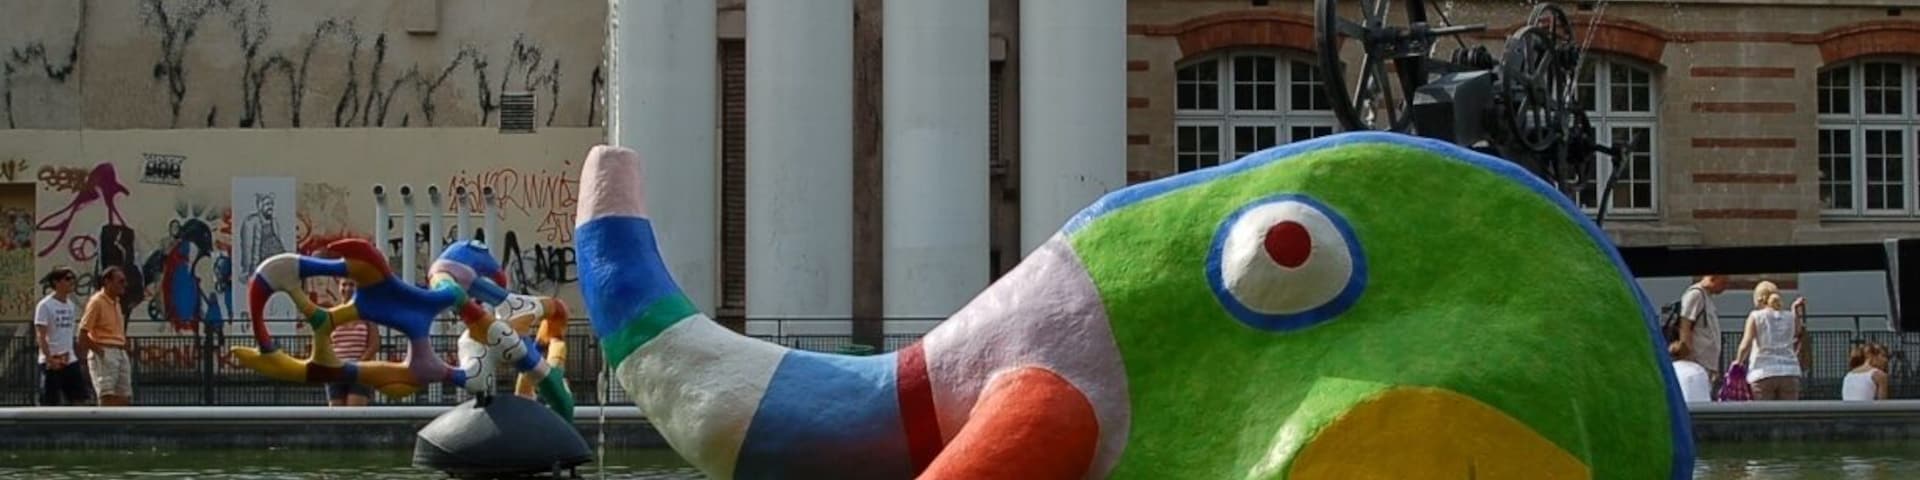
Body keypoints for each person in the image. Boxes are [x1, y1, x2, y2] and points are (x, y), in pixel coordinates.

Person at [1732, 281, 1803, 400]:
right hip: (1789, 371)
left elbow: (1746, 343)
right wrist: (1794, 310)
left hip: (1762, 371)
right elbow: (1797, 332)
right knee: (1789, 411)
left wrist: (1738, 362)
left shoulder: (1756, 316)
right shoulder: (1790, 316)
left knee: (1763, 411)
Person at [34, 267, 89, 406]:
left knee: (79, 399)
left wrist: (79, 355)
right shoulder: (45, 305)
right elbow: (41, 335)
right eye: (68, 279)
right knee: (50, 402)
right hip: (52, 360)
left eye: (73, 278)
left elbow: (69, 333)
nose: (72, 282)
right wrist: (49, 358)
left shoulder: (70, 305)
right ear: (56, 282)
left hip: (69, 359)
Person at [78, 266, 132, 406]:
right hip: (104, 350)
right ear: (107, 282)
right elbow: (83, 332)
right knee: (107, 395)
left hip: (120, 352)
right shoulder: (97, 302)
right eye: (120, 281)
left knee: (124, 396)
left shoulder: (116, 302)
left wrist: (123, 344)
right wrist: (100, 351)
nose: (124, 285)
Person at [325, 279, 379, 406]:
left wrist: (358, 364)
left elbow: (374, 344)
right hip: (336, 370)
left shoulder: (367, 314)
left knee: (354, 412)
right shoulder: (331, 315)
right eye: (344, 284)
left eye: (352, 285)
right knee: (335, 413)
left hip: (359, 371)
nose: (348, 288)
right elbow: (324, 342)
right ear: (339, 287)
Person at [1675, 275, 1728, 389]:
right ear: (1713, 278)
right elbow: (1685, 325)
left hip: (1706, 364)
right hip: (1696, 362)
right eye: (1723, 283)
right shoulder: (1696, 295)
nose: (1725, 287)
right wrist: (1686, 356)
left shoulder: (1706, 297)